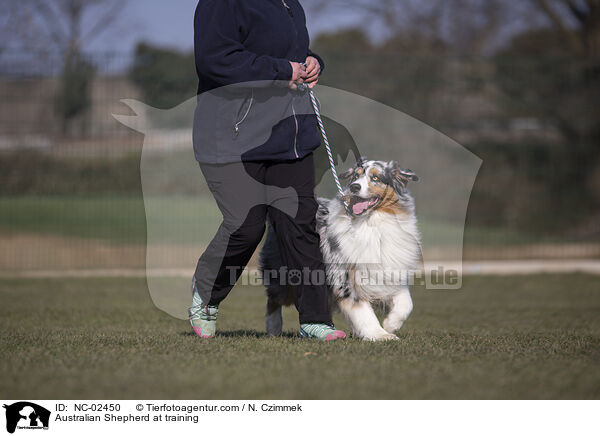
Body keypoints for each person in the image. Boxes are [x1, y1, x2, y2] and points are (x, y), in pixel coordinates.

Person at [189, 0, 347, 341]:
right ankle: (206, 294)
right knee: (245, 226)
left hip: (290, 137)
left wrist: (312, 62)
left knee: (300, 225)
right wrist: (282, 70)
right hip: (231, 137)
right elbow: (215, 60)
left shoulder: (290, 3)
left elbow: (290, 50)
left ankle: (315, 320)